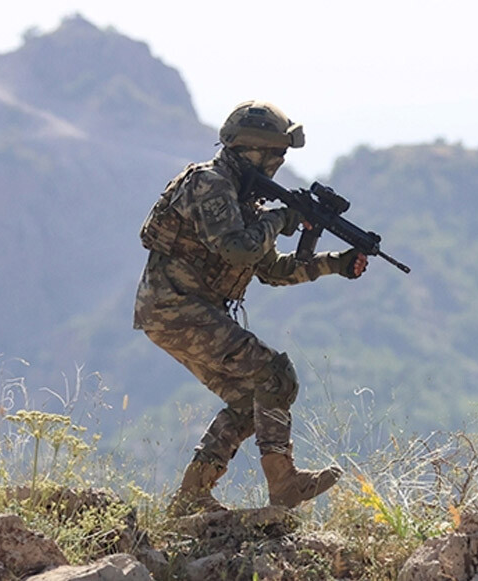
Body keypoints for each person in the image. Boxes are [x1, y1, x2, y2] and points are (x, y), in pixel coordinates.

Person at [134, 100, 367, 516]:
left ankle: (191, 497)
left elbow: (272, 270)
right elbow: (238, 250)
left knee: (250, 402)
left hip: (180, 310)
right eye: (276, 154)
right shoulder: (211, 184)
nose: (279, 163)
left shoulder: (242, 200)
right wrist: (281, 219)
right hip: (175, 307)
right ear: (252, 151)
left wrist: (336, 263)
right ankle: (284, 483)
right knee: (275, 375)